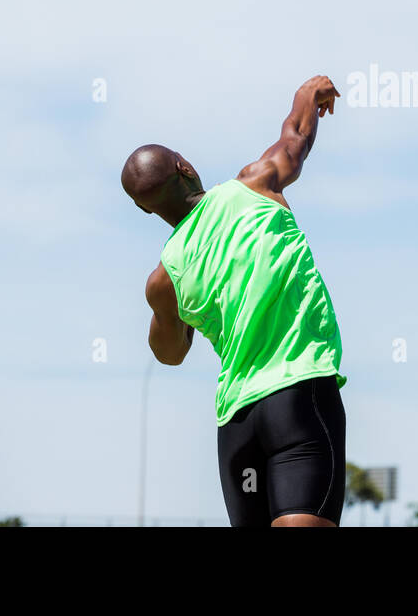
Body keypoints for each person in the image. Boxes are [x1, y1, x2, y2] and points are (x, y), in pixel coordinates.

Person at [121, 75, 347, 527]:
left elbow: (168, 354)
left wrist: (174, 311)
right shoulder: (255, 185)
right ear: (185, 166)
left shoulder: (163, 281)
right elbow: (296, 136)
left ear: (146, 209)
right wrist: (311, 93)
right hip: (297, 395)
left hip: (238, 424)